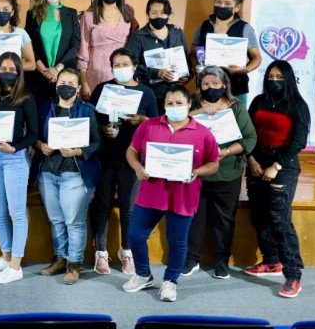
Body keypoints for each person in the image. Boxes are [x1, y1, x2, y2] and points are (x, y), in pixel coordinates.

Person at [123, 84, 220, 302]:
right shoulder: (149, 126)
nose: (174, 107)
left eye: (179, 103)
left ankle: (170, 281)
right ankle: (143, 274)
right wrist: (137, 168)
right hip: (151, 191)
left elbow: (214, 163)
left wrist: (198, 171)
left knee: (177, 241)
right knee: (135, 235)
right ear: (164, 105)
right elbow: (132, 150)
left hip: (183, 195)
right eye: (169, 103)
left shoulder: (203, 133)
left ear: (189, 104)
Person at [89, 48, 158, 275]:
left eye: (125, 64)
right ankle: (100, 252)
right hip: (105, 156)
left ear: (135, 67)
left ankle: (127, 251)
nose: (121, 69)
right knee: (102, 203)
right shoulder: (102, 89)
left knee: (129, 205)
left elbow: (157, 124)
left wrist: (143, 120)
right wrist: (102, 128)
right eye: (116, 65)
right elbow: (90, 118)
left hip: (133, 158)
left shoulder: (146, 93)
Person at [244, 60, 310, 298]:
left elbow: (299, 141)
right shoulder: (258, 101)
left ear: (288, 79)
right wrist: (251, 160)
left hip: (283, 165)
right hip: (256, 162)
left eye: (280, 77)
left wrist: (276, 166)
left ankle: (293, 275)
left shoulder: (297, 105)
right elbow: (248, 132)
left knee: (280, 221)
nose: (274, 80)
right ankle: (271, 261)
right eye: (271, 76)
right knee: (259, 216)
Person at [183, 66, 256, 279]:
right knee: (194, 218)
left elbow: (250, 138)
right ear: (199, 86)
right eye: (206, 84)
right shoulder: (193, 104)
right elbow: (174, 125)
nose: (210, 88)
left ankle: (222, 261)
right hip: (197, 172)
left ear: (224, 85)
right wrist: (198, 112)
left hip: (227, 173)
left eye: (215, 83)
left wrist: (226, 151)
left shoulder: (236, 107)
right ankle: (192, 258)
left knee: (224, 220)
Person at [0, 52, 39, 285]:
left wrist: (14, 148)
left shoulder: (26, 98)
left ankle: (15, 266)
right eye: (3, 69)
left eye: (12, 70)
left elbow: (33, 134)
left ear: (19, 72)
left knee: (17, 213)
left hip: (14, 158)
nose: (7, 73)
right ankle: (5, 257)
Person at [36, 68, 102, 284]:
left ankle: (74, 263)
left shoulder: (87, 110)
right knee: (56, 220)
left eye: (71, 83)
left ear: (79, 87)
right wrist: (41, 146)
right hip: (49, 172)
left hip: (75, 173)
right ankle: (60, 258)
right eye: (62, 82)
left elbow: (98, 142)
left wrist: (78, 151)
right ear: (56, 85)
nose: (66, 86)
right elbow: (35, 136)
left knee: (74, 221)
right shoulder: (45, 108)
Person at [190, 0, 261, 105]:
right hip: (207, 88)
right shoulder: (203, 26)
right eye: (218, 2)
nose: (221, 6)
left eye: (227, 4)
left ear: (237, 8)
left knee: (237, 116)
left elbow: (257, 58)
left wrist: (244, 70)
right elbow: (193, 53)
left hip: (236, 88)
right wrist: (198, 68)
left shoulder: (245, 29)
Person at [24, 0, 81, 118]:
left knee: (64, 118)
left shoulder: (71, 13)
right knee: (39, 117)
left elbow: (75, 46)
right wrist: (44, 71)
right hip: (38, 75)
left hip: (65, 75)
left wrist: (57, 69)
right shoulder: (32, 14)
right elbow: (29, 45)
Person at [78, 0, 139, 100]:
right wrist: (84, 83)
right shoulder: (88, 16)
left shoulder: (128, 12)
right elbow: (83, 52)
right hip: (96, 73)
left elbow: (137, 39)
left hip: (123, 71)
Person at [126, 0, 191, 111]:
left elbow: (187, 59)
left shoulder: (177, 33)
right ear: (148, 13)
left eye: (163, 12)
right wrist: (157, 73)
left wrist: (187, 77)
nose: (159, 16)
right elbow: (131, 66)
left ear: (168, 14)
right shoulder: (138, 37)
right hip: (152, 95)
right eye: (154, 12)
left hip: (176, 96)